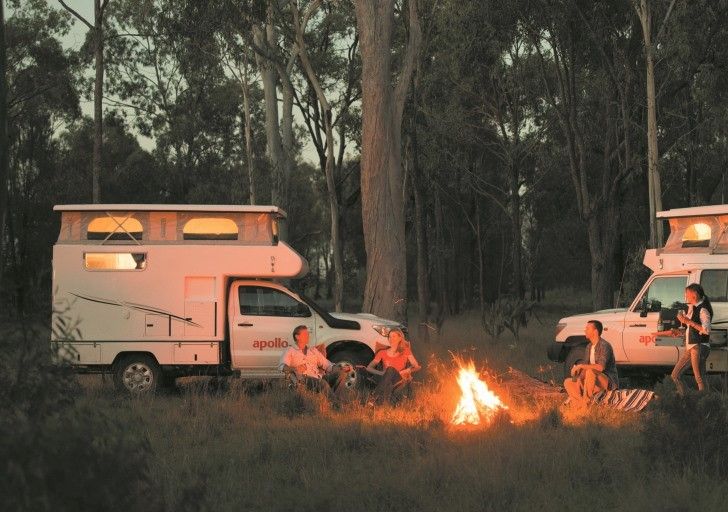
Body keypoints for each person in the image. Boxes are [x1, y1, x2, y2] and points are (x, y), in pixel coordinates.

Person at [278, 325, 351, 398]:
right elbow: (282, 366)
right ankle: (336, 405)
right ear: (297, 336)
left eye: (308, 334)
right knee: (323, 384)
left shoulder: (313, 350)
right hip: (304, 379)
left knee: (341, 374)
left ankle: (337, 400)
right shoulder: (290, 350)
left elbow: (328, 365)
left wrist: (340, 368)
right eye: (305, 334)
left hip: (318, 378)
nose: (308, 336)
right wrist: (294, 369)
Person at [563, 320, 619, 405]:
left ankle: (587, 400)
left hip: (607, 382)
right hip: (591, 382)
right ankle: (580, 404)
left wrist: (581, 366)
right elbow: (585, 368)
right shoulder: (589, 347)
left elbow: (600, 367)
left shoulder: (605, 345)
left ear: (595, 332)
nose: (585, 331)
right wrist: (577, 376)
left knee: (590, 371)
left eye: (588, 329)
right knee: (568, 382)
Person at [671, 283, 712, 394]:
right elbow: (693, 329)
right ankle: (704, 401)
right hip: (696, 346)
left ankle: (687, 399)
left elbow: (706, 330)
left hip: (697, 347)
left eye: (687, 294)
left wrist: (687, 321)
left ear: (694, 294)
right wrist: (681, 333)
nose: (685, 297)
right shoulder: (694, 308)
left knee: (677, 375)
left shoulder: (703, 310)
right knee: (701, 377)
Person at [364, 329, 421, 404]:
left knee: (390, 369)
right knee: (389, 370)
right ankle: (377, 400)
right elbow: (369, 368)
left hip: (398, 378)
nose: (391, 339)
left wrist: (407, 370)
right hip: (385, 378)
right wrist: (381, 373)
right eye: (389, 337)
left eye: (394, 336)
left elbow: (417, 366)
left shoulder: (405, 351)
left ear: (400, 338)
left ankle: (373, 397)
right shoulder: (382, 352)